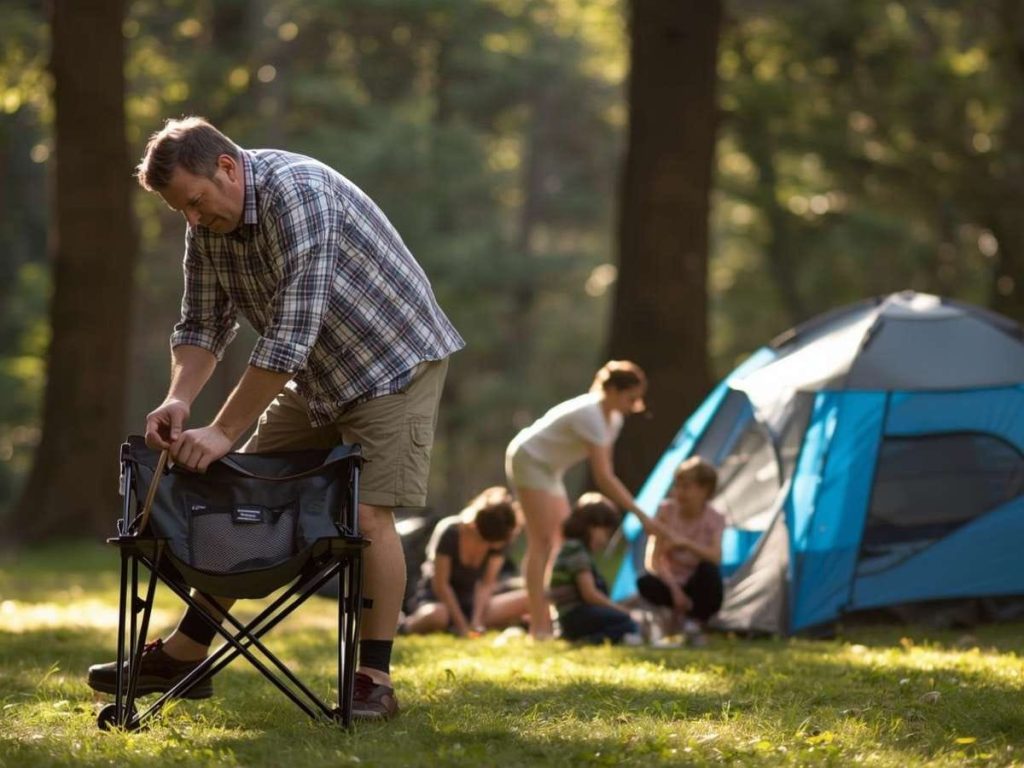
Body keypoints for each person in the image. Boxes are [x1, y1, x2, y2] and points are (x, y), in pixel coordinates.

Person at [86, 116, 464, 720]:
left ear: (228, 168)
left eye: (196, 201)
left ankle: (373, 681)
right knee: (244, 498)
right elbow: (203, 322)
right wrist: (181, 398)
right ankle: (186, 653)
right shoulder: (207, 223)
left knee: (368, 514)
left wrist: (224, 431)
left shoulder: (300, 195)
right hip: (316, 373)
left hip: (393, 363)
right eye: (181, 209)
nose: (192, 219)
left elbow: (290, 334)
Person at [505, 360, 683, 639]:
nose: (635, 405)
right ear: (611, 390)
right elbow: (604, 477)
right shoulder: (590, 414)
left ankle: (556, 614)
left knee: (564, 543)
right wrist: (642, 516)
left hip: (552, 469)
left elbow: (606, 471)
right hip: (530, 460)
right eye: (630, 398)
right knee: (542, 541)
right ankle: (539, 627)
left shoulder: (613, 420)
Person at [401, 487, 528, 636]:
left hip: (473, 604)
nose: (486, 547)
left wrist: (476, 621)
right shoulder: (450, 531)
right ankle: (405, 627)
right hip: (439, 602)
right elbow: (441, 585)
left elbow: (486, 584)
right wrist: (462, 626)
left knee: (528, 598)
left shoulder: (499, 538)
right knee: (438, 615)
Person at [637, 456, 724, 644]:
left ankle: (695, 622)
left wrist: (685, 543)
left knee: (709, 571)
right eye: (677, 486)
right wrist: (675, 590)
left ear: (704, 490)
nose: (679, 493)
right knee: (645, 582)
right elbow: (652, 561)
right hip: (670, 583)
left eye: (686, 487)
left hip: (695, 585)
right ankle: (669, 621)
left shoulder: (714, 518)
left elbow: (716, 557)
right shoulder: (666, 511)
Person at [549, 493, 639, 644]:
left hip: (572, 617)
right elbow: (589, 594)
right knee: (627, 623)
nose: (605, 541)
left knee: (623, 621)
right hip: (575, 616)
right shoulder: (575, 549)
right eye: (606, 533)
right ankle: (588, 640)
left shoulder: (574, 549)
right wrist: (621, 610)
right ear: (591, 527)